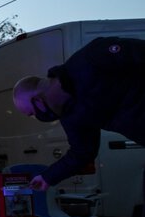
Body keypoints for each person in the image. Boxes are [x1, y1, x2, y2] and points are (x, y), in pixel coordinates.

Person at [12, 36, 145, 191]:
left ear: (38, 101)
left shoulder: (90, 59)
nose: (38, 118)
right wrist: (48, 177)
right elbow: (82, 153)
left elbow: (137, 52)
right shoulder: (71, 117)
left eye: (32, 114)